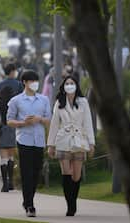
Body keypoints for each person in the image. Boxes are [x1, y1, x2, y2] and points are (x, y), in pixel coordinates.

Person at [47, 76, 95, 217]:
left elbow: (88, 122)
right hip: (63, 140)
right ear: (63, 86)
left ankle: (73, 199)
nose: (69, 85)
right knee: (66, 172)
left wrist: (91, 143)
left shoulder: (83, 102)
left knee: (76, 175)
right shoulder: (59, 102)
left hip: (79, 140)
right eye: (67, 83)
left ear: (76, 85)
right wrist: (51, 144)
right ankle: (70, 205)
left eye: (72, 83)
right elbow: (55, 123)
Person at [7, 70, 51, 217]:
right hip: (24, 139)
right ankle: (30, 205)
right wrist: (23, 123)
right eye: (31, 81)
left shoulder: (44, 100)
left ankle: (27, 201)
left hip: (39, 140)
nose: (34, 84)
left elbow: (49, 119)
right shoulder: (16, 100)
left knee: (36, 172)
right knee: (26, 173)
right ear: (24, 82)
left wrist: (38, 119)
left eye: (36, 81)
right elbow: (9, 120)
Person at [0, 86, 17, 192]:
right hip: (12, 130)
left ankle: (5, 184)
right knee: (11, 157)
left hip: (2, 130)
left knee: (3, 158)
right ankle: (11, 182)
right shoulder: (14, 105)